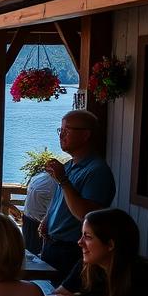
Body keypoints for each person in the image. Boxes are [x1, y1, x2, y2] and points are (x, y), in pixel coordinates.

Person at [40, 111, 116, 278]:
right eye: (60, 130)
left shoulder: (97, 171)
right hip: (53, 245)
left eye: (67, 130)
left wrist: (63, 180)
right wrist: (48, 219)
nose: (61, 135)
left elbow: (85, 215)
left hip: (73, 251)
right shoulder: (68, 166)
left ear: (85, 135)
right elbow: (62, 200)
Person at [22, 167, 58, 256]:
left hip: (37, 222)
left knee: (32, 253)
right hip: (34, 222)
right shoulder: (53, 183)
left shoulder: (39, 177)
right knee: (32, 253)